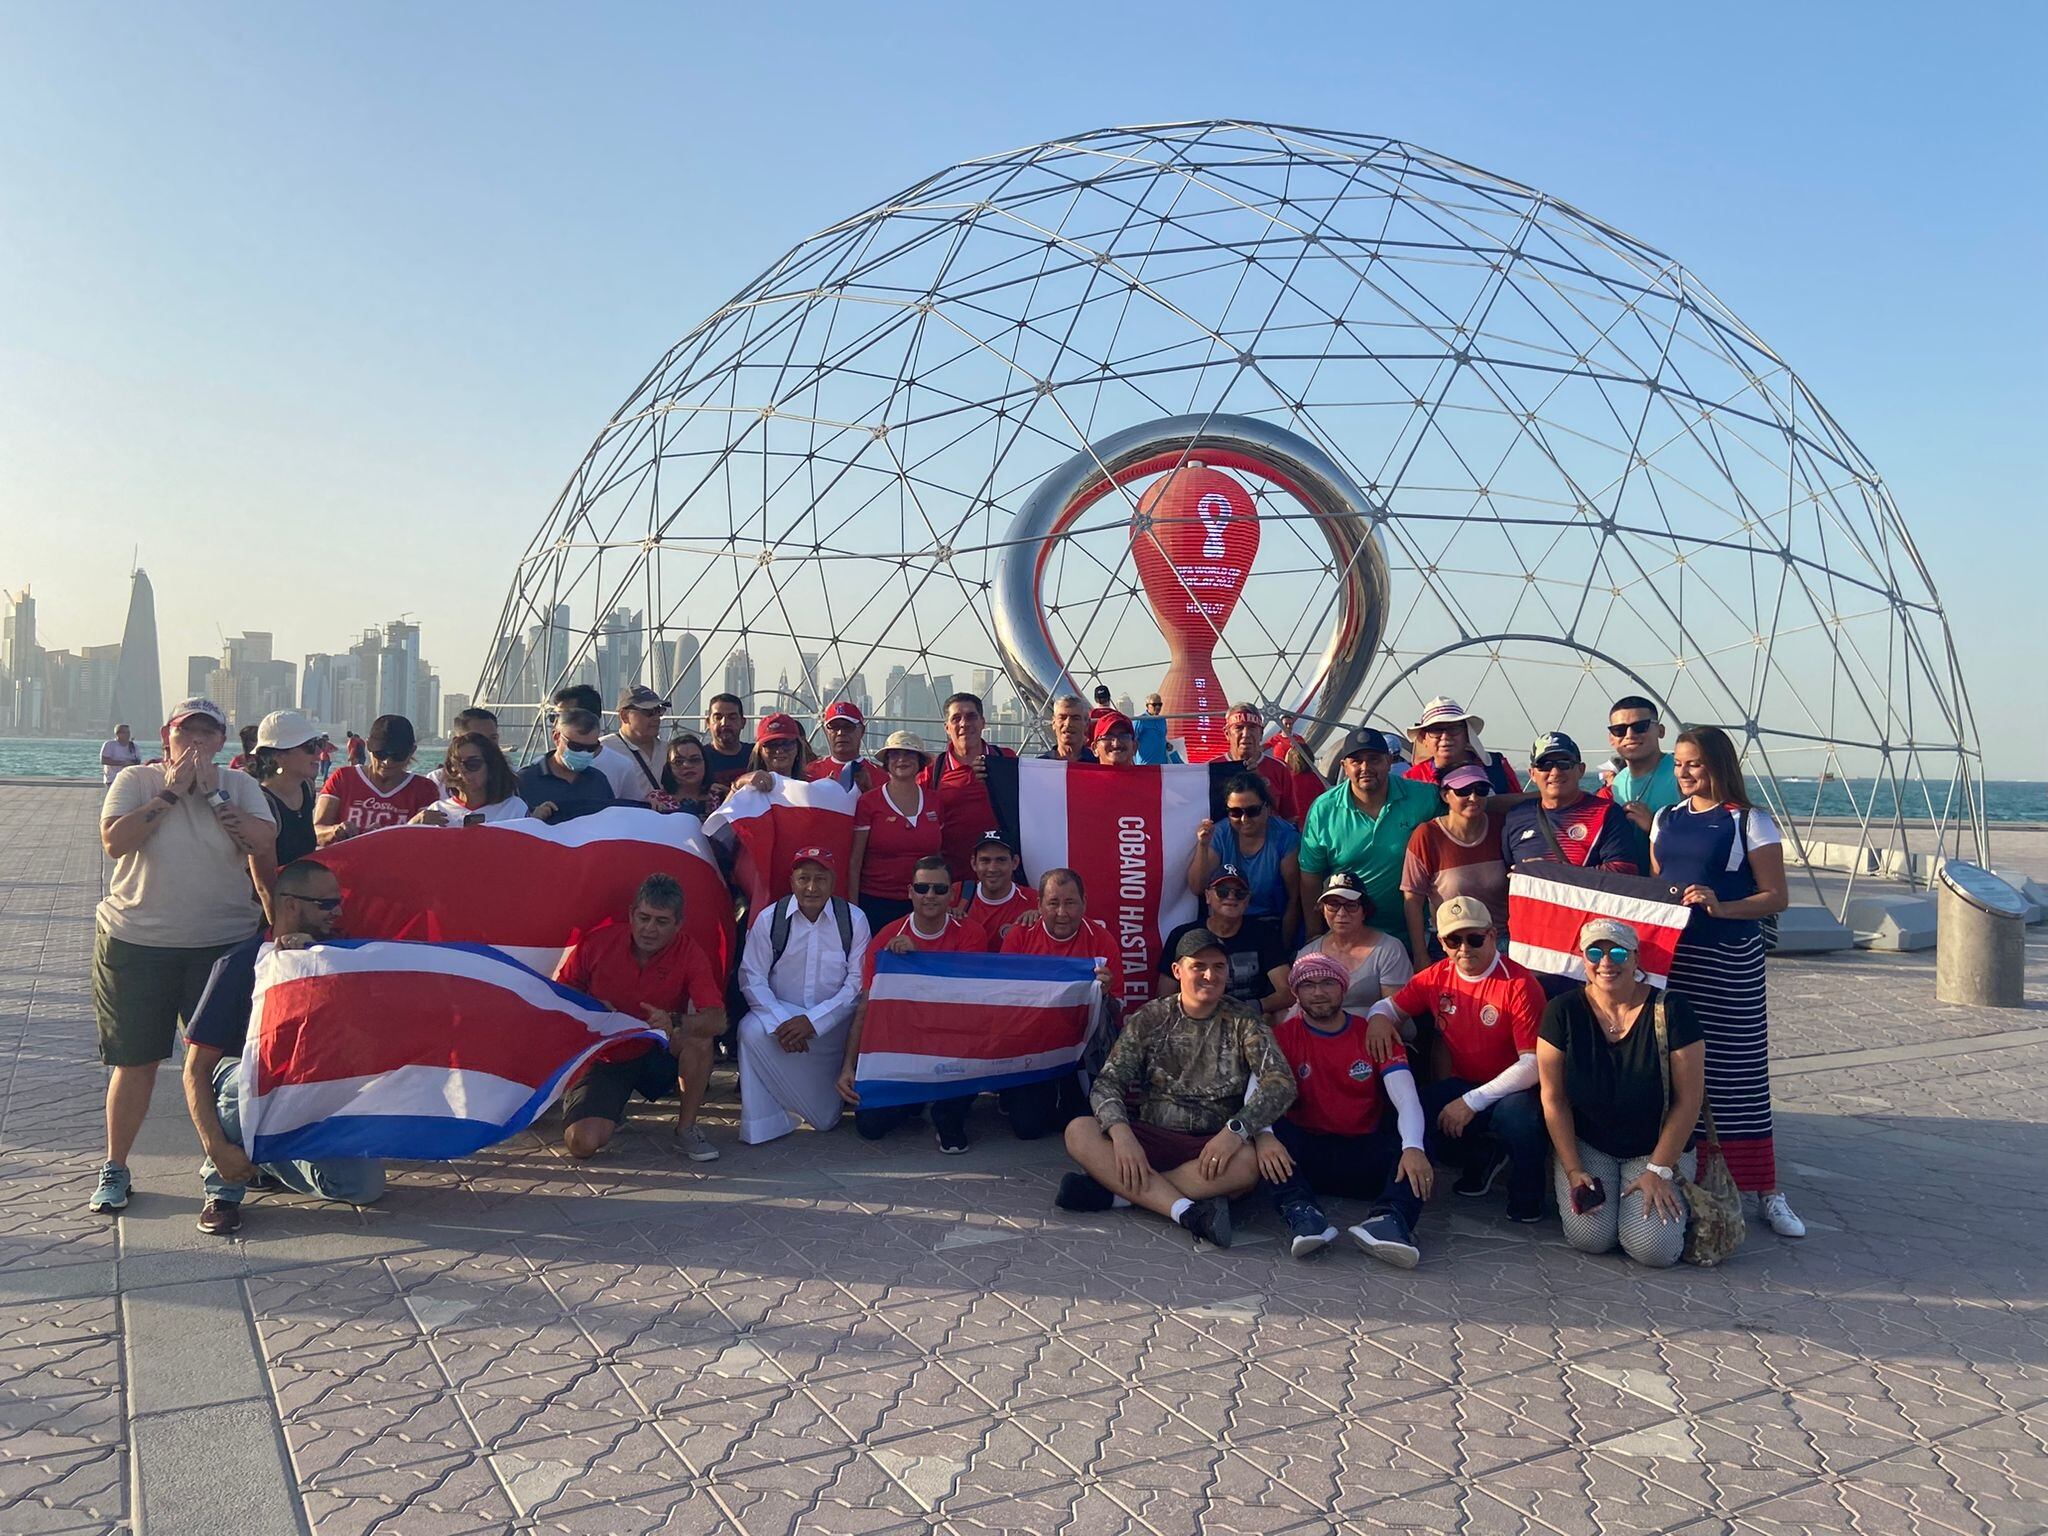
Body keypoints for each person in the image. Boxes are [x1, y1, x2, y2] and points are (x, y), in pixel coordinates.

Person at [91, 697, 278, 1214]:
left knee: (219, 1064)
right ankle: (116, 1165)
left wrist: (215, 796)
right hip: (137, 940)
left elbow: (262, 842)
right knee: (135, 1061)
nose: (195, 742)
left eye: (206, 734)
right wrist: (171, 794)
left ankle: (222, 1172)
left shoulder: (240, 786)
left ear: (221, 742)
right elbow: (115, 841)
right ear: (166, 737)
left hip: (220, 944)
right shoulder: (138, 781)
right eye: (185, 732)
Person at [1055, 929, 1298, 1249]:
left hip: (1211, 1144)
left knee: (1248, 1166)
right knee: (1079, 1131)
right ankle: (1187, 1209)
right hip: (1151, 1135)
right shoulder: (1150, 1017)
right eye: (1199, 966)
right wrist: (1121, 1133)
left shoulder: (1245, 1020)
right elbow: (1109, 1081)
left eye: (1219, 967)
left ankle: (1119, 1194)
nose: (1210, 975)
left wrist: (1236, 1131)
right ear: (1177, 971)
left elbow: (1280, 1082)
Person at [1651, 724, 1802, 1237]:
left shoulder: (1749, 821)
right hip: (1675, 962)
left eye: (1694, 763)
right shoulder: (1665, 819)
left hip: (1729, 962)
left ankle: (1766, 1190)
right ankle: (1690, 1176)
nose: (1684, 772)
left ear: (1719, 764)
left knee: (1737, 1072)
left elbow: (1776, 896)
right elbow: (1658, 884)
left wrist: (1723, 906)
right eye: (1678, 763)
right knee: (1675, 1068)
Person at [180, 859, 385, 1234]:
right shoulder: (238, 963)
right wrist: (215, 1147)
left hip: (313, 1080)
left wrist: (310, 963)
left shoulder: (341, 954)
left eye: (338, 902)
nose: (338, 912)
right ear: (291, 905)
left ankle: (266, 1163)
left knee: (363, 1187)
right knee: (251, 1075)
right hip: (244, 1076)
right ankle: (222, 1190)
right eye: (326, 904)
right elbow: (195, 1070)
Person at [1366, 896, 1548, 1223]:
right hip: (1463, 1083)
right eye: (1453, 940)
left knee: (1519, 1119)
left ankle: (1528, 1198)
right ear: (1441, 942)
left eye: (1474, 938)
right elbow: (1389, 1007)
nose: (1464, 948)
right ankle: (1449, 1170)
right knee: (1407, 1112)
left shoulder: (1520, 984)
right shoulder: (1436, 976)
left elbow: (1532, 1064)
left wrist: (1471, 1101)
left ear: (1492, 935)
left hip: (1515, 1089)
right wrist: (1378, 1018)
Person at [1537, 918, 1705, 1266]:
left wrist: (1659, 1169)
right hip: (1590, 1144)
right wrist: (1573, 1169)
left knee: (1653, 1250)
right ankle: (1621, 1213)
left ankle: (1660, 1212)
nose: (1606, 962)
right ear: (1583, 958)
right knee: (1590, 1238)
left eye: (1617, 953)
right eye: (1594, 953)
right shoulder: (1562, 1011)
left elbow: (1689, 1101)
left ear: (1636, 958)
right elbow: (1553, 1098)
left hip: (1655, 1147)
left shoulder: (1672, 1011)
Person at [1260, 951, 1433, 1264]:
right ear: (1296, 992)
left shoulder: (1374, 1033)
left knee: (1417, 1135)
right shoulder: (1281, 1037)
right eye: (1308, 985)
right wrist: (1264, 1137)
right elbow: (1256, 1096)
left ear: (1344, 988)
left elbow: (1406, 1097)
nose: (1318, 992)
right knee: (1263, 1131)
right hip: (1306, 1157)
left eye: (1328, 983)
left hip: (1365, 1156)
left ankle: (1390, 1220)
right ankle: (1303, 1214)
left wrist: (1413, 1148)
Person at [555, 874, 728, 1162]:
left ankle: (686, 1129)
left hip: (656, 1050)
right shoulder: (597, 942)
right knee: (582, 1145)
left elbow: (717, 1020)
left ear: (678, 924)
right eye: (644, 918)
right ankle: (600, 1104)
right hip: (606, 1056)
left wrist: (675, 1021)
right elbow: (558, 996)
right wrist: (590, 1007)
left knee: (699, 1040)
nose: (649, 929)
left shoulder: (689, 952)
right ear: (631, 914)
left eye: (662, 921)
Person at [837, 855, 991, 1152]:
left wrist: (917, 958)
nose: (930, 895)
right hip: (904, 1046)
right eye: (922, 888)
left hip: (953, 1042)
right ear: (910, 892)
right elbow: (867, 1005)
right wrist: (848, 1066)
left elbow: (964, 997)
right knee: (870, 1126)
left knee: (952, 1114)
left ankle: (948, 1113)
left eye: (939, 889)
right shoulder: (887, 936)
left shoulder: (971, 933)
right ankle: (915, 1099)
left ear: (951, 894)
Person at [734, 848, 870, 1144]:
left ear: (833, 882)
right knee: (750, 1029)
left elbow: (856, 986)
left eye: (820, 879)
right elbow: (751, 977)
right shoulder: (770, 919)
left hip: (830, 1031)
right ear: (791, 881)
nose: (811, 887)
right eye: (804, 878)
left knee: (824, 1120)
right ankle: (764, 1124)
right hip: (783, 1026)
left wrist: (813, 1022)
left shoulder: (853, 920)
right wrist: (782, 1023)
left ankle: (803, 1103)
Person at [1298, 726, 1438, 936]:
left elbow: (1467, 808)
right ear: (1344, 766)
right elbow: (1310, 877)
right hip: (1346, 937)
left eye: (1374, 759)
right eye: (1356, 761)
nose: (1365, 767)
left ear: (1389, 761)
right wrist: (1314, 933)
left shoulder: (1423, 797)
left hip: (1412, 935)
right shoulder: (1324, 809)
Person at [1400, 762, 1508, 969]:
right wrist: (1421, 955)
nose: (1473, 797)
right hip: (1451, 947)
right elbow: (1412, 901)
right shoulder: (1427, 836)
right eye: (1463, 791)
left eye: (1481, 789)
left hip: (1500, 944)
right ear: (1445, 795)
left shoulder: (1502, 827)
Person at [1500, 732, 1639, 878]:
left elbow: (1624, 871)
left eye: (1564, 763)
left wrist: (1557, 873)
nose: (1555, 772)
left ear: (1581, 769)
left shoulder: (1607, 813)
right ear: (1532, 774)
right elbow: (1505, 873)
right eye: (1545, 765)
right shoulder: (1516, 816)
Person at [1158, 866, 1290, 1014]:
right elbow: (1165, 996)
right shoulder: (1182, 935)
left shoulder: (1265, 933)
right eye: (1222, 891)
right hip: (1195, 1016)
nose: (1231, 897)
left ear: (1247, 900)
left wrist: (1246, 1009)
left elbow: (1286, 992)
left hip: (1249, 1017)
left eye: (1239, 893)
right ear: (1208, 896)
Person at [848, 730, 943, 934]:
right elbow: (855, 862)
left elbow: (939, 856)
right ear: (886, 761)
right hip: (876, 902)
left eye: (909, 754)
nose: (902, 759)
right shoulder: (869, 802)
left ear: (920, 761)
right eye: (895, 754)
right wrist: (854, 912)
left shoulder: (935, 801)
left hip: (923, 903)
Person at [922, 692, 1018, 879]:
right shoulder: (933, 772)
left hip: (1001, 876)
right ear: (947, 727)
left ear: (983, 723)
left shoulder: (1006, 759)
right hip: (952, 879)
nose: (964, 724)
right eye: (956, 718)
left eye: (971, 716)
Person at [1189, 773, 1301, 933]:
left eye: (1252, 811)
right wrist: (1203, 845)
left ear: (1267, 808)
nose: (1244, 819)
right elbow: (1197, 888)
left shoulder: (1286, 838)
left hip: (1267, 925)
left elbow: (1294, 900)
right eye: (1235, 812)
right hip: (1222, 925)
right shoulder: (1219, 833)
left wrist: (1285, 944)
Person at [1295, 873, 1412, 1011]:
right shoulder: (1307, 954)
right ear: (1323, 910)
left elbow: (1395, 1010)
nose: (1341, 913)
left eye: (1351, 905)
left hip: (1375, 1023)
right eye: (1333, 905)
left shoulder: (1389, 950)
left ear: (1364, 911)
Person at [315, 714, 439, 843]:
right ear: (368, 746)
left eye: (397, 756)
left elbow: (428, 843)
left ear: (412, 751)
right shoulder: (343, 778)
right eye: (381, 754)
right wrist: (335, 831)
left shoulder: (424, 788)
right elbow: (316, 831)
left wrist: (411, 827)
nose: (387, 762)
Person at [1602, 696, 1681, 868]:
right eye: (1619, 730)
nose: (1630, 735)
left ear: (1660, 731)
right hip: (1630, 880)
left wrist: (1654, 826)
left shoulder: (1682, 774)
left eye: (1640, 727)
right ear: (1611, 738)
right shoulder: (1618, 782)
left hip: (1674, 880)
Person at [249, 710, 330, 871]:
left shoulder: (307, 788)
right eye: (309, 746)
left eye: (319, 743)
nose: (319, 752)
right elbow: (263, 881)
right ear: (279, 756)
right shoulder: (262, 804)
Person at [514, 708, 618, 824]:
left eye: (591, 748)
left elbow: (612, 822)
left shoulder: (598, 780)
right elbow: (509, 826)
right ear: (557, 737)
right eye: (576, 747)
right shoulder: (524, 780)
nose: (584, 753)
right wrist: (533, 819)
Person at [1219, 703, 1317, 823]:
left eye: (1252, 728)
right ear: (1227, 733)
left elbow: (1289, 817)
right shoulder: (1211, 769)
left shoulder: (1280, 770)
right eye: (1239, 728)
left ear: (1261, 733)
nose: (1246, 734)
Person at [1404, 697, 1523, 792]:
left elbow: (1520, 809)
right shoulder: (1412, 778)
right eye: (1436, 730)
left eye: (1453, 728)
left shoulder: (1497, 766)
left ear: (1467, 734)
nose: (1445, 736)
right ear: (1423, 739)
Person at [417, 733, 528, 825]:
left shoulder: (514, 809)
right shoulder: (437, 811)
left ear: (491, 766)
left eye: (473, 764)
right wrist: (415, 823)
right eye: (455, 765)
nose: (462, 771)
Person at [955, 830, 1037, 946]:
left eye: (1001, 860)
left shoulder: (1035, 901)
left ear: (1014, 862)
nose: (992, 869)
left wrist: (1042, 917)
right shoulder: (952, 893)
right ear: (974, 863)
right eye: (985, 860)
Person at [599, 685, 672, 806]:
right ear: (624, 716)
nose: (656, 718)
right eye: (648, 712)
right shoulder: (603, 749)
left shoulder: (670, 750)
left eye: (659, 711)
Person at [808, 700, 878, 791]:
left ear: (862, 730)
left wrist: (869, 791)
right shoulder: (809, 774)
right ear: (826, 731)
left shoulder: (881, 776)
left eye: (848, 727)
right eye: (834, 727)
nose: (840, 733)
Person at [428, 707, 501, 792]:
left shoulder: (513, 778)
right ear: (457, 741)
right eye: (478, 738)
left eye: (493, 738)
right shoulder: (436, 782)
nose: (488, 744)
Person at [660, 732, 722, 817]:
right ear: (669, 768)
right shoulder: (657, 799)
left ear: (706, 763)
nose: (687, 765)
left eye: (695, 760)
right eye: (678, 762)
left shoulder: (720, 798)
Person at [746, 712, 814, 786]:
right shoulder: (746, 789)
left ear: (798, 748)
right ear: (759, 751)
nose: (779, 750)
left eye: (787, 744)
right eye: (771, 745)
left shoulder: (812, 786)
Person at [702, 693, 752, 789]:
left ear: (743, 722)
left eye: (732, 718)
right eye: (718, 718)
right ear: (708, 723)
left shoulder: (756, 755)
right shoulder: (698, 758)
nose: (724, 723)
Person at [1039, 693, 1091, 763]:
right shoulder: (1039, 765)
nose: (1068, 723)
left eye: (1075, 718)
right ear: (1053, 723)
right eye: (1062, 718)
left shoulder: (1099, 763)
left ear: (1087, 724)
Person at [1133, 694, 1177, 764]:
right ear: (1147, 706)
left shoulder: (1162, 720)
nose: (1157, 707)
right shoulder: (1140, 720)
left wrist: (1167, 745)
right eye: (1154, 705)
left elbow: (1162, 738)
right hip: (1145, 766)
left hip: (1162, 766)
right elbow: (1131, 741)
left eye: (1160, 705)